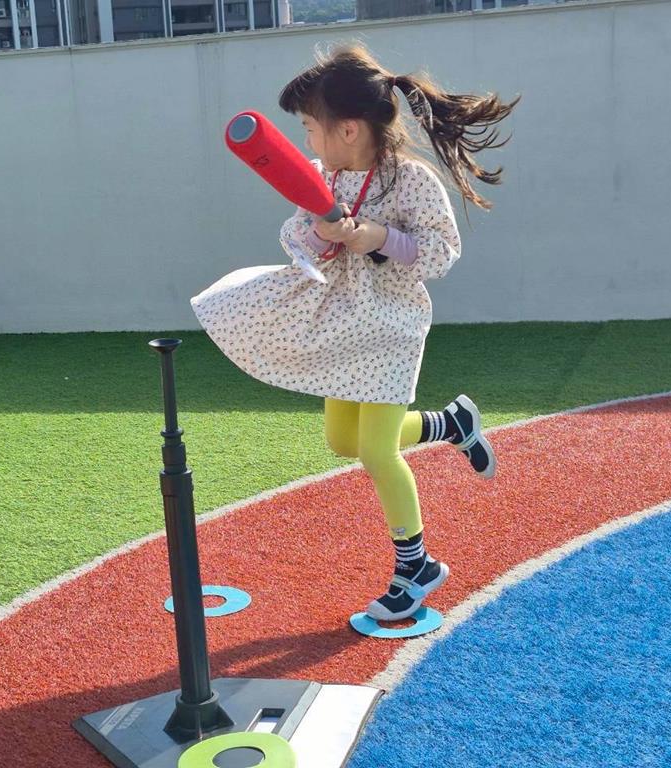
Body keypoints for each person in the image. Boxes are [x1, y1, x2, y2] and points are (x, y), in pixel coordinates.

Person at [191, 44, 519, 621]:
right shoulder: (323, 177)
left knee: (375, 450)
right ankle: (451, 424)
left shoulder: (411, 182)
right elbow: (297, 238)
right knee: (344, 440)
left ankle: (416, 566)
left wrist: (378, 238)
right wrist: (323, 235)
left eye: (309, 128)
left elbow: (441, 253)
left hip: (392, 325)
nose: (306, 141)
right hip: (342, 324)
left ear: (347, 129)